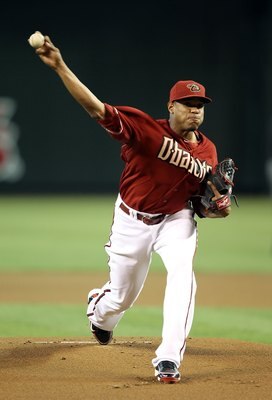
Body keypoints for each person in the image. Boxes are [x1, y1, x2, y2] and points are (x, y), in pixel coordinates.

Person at [34, 34, 231, 384]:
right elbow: (96, 108)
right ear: (171, 107)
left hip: (175, 219)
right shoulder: (145, 130)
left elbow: (204, 205)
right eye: (187, 103)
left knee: (183, 275)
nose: (195, 109)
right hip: (132, 219)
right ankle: (100, 308)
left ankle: (169, 358)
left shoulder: (209, 151)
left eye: (199, 103)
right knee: (121, 300)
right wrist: (61, 66)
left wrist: (219, 207)